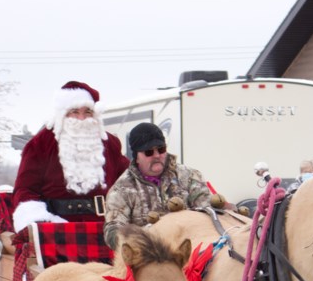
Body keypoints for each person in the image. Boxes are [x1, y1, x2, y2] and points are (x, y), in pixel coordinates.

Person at [11, 81, 130, 231]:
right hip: (56, 229)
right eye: (74, 112)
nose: (81, 119)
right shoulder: (41, 143)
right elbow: (25, 189)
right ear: (63, 113)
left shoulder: (109, 143)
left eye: (87, 112)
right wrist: (41, 221)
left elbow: (128, 181)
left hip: (105, 229)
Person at [103, 122, 212, 250]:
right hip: (150, 257)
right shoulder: (121, 189)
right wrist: (143, 239)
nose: (157, 155)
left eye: (161, 149)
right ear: (136, 157)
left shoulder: (189, 176)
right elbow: (113, 231)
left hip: (191, 250)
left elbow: (207, 211)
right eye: (149, 152)